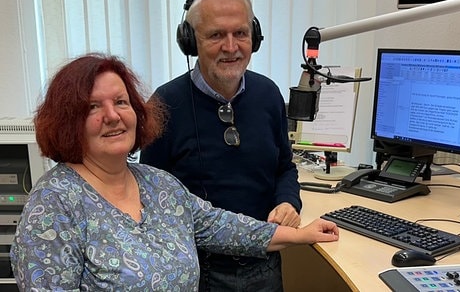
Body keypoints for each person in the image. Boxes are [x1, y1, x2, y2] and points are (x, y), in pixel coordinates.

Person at [9, 53, 339, 291]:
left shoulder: (159, 185)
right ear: (69, 122)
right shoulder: (55, 204)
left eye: (121, 102)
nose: (112, 116)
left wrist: (302, 234)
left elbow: (221, 226)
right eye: (93, 107)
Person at [139, 0, 301, 291]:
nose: (231, 46)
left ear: (254, 37)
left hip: (264, 264)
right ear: (190, 41)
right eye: (216, 35)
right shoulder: (164, 106)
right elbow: (151, 199)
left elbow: (284, 167)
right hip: (199, 272)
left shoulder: (268, 95)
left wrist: (288, 201)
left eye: (240, 33)